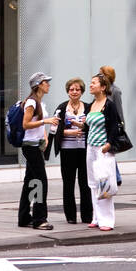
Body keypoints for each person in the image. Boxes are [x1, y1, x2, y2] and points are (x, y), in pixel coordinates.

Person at [17, 71, 59, 231]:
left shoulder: (39, 102)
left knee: (30, 182)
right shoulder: (31, 103)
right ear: (38, 85)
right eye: (45, 82)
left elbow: (37, 125)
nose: (48, 84)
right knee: (41, 182)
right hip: (30, 147)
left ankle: (24, 217)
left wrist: (45, 135)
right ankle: (39, 219)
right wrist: (45, 121)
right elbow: (25, 124)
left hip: (36, 145)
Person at [85, 71, 123, 232]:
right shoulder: (91, 105)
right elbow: (89, 126)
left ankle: (107, 220)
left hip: (103, 149)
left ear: (102, 87)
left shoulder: (109, 105)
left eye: (94, 83)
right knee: (93, 184)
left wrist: (109, 144)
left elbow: (115, 126)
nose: (91, 85)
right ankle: (96, 217)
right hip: (90, 147)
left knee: (104, 184)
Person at [52, 77, 92, 225]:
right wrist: (69, 133)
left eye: (77, 89)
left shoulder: (88, 107)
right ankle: (70, 216)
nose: (74, 92)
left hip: (84, 151)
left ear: (82, 91)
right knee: (68, 184)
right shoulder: (61, 108)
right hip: (67, 151)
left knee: (85, 184)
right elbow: (54, 129)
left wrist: (82, 127)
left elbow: (93, 127)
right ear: (67, 91)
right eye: (71, 89)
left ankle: (87, 215)